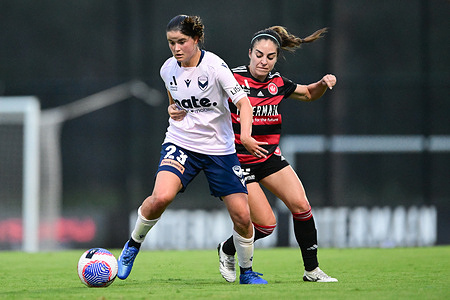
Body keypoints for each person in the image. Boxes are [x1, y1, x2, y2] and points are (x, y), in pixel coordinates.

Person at [171, 25, 337, 283]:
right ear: (249, 53)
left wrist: (323, 84)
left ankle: (312, 271)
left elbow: (308, 93)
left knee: (302, 206)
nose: (264, 61)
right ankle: (227, 248)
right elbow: (201, 101)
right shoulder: (231, 78)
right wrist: (177, 109)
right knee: (266, 226)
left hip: (269, 158)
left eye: (270, 57)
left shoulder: (278, 83)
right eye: (259, 54)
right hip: (236, 161)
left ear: (276, 58)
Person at [116, 15, 269, 285]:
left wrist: (245, 135)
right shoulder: (167, 69)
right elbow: (174, 98)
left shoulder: (215, 67)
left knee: (243, 217)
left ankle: (246, 272)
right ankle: (132, 246)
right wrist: (172, 108)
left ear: (196, 39)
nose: (176, 48)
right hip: (181, 143)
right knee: (160, 198)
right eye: (171, 43)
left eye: (182, 42)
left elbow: (244, 104)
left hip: (219, 150)